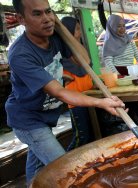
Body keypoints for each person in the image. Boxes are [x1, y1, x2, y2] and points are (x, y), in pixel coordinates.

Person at [6, 0, 126, 185]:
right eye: (37, 14)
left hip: (45, 116)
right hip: (28, 119)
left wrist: (61, 26)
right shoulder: (20, 53)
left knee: (37, 167)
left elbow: (85, 60)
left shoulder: (55, 37)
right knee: (66, 169)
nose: (46, 19)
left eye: (48, 12)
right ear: (21, 19)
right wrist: (101, 102)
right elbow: (59, 93)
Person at [60, 16, 94, 151]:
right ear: (67, 31)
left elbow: (86, 68)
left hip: (88, 97)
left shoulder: (79, 51)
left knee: (89, 135)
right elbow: (76, 73)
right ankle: (66, 160)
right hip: (76, 102)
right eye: (77, 29)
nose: (80, 33)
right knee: (81, 136)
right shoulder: (63, 54)